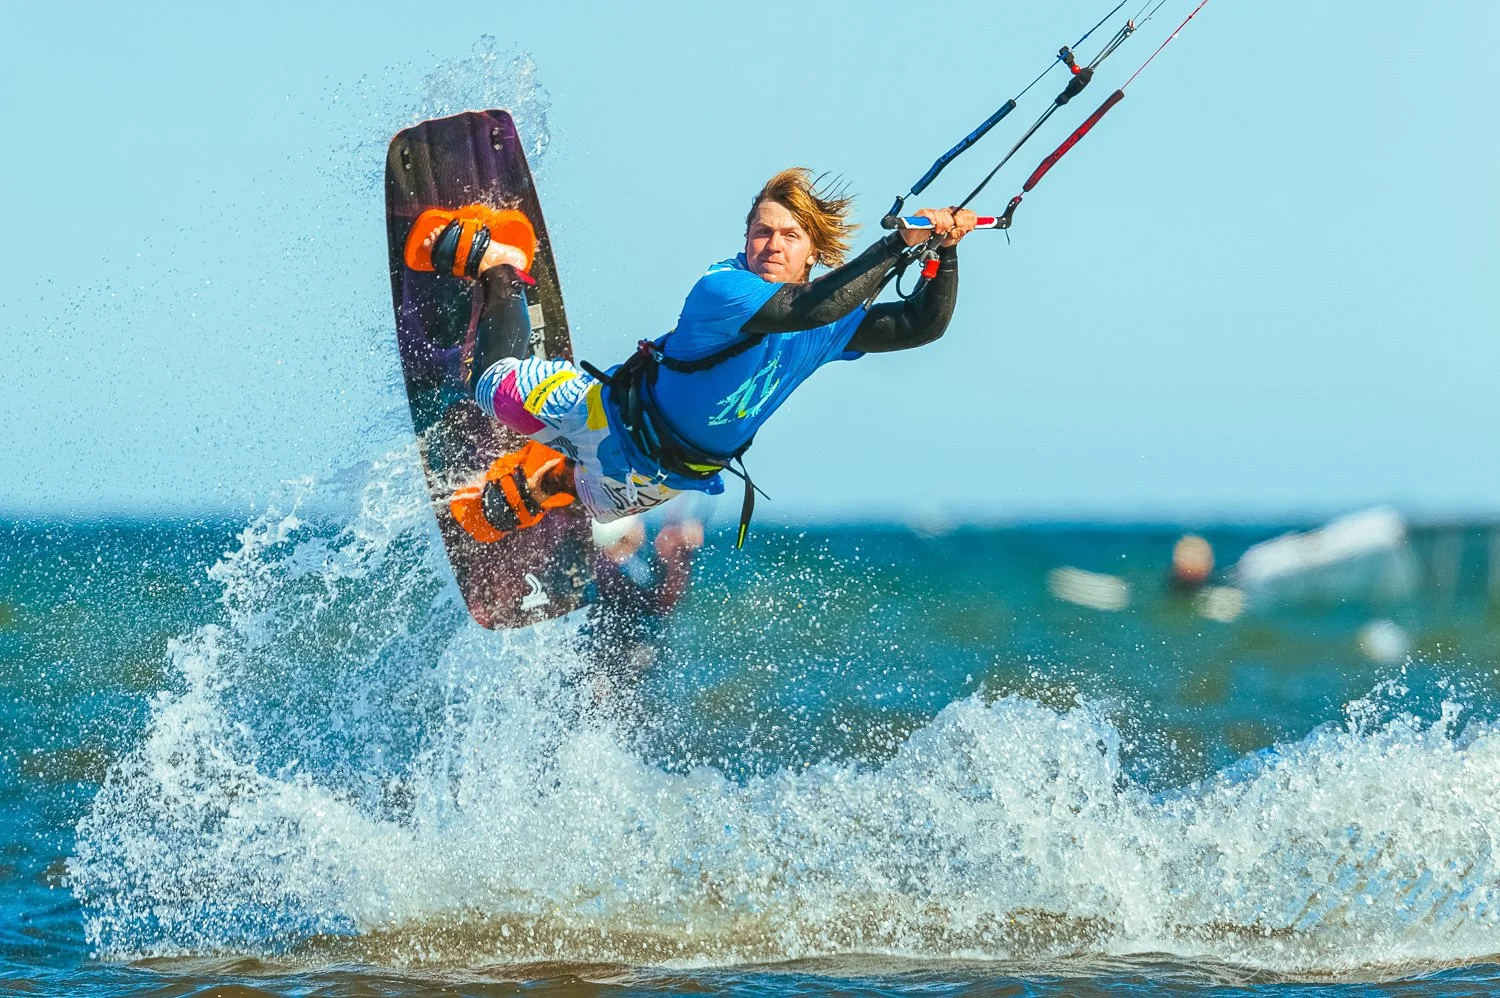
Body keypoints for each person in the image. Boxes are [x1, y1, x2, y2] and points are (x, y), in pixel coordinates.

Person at [407, 169, 978, 543]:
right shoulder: (724, 289)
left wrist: (945, 253)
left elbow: (919, 324)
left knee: (594, 502)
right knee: (492, 389)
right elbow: (805, 311)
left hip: (673, 474)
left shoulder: (830, 322)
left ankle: (547, 477)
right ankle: (500, 262)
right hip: (606, 413)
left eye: (789, 236)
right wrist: (897, 245)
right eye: (761, 232)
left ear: (815, 250)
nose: (772, 245)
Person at [584, 515, 704, 686]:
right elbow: (661, 601)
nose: (641, 526)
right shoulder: (612, 568)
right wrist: (680, 555)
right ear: (622, 532)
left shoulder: (619, 564)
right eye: (636, 522)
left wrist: (675, 551)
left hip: (618, 652)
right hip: (616, 655)